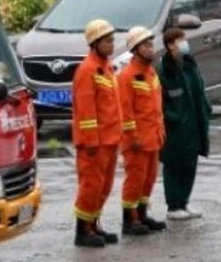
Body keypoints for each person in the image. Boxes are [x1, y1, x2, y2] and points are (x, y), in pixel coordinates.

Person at [70, 19, 122, 248]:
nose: (112, 45)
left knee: (104, 185)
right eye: (108, 41)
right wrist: (91, 140)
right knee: (91, 185)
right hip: (95, 142)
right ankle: (83, 230)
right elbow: (85, 108)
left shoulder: (106, 67)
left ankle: (93, 224)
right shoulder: (87, 70)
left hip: (110, 139)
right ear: (95, 43)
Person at [158, 27, 211, 222]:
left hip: (194, 123)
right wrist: (173, 118)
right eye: (179, 40)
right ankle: (173, 205)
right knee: (174, 165)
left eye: (183, 39)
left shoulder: (190, 64)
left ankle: (183, 202)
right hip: (176, 127)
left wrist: (206, 109)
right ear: (170, 45)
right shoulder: (164, 70)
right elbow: (161, 102)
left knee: (190, 164)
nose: (184, 43)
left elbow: (200, 90)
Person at [118, 26, 166, 237]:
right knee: (135, 180)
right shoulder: (127, 76)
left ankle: (142, 214)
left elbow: (156, 106)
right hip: (136, 141)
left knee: (148, 179)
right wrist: (132, 137)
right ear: (135, 49)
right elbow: (125, 112)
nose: (151, 49)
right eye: (146, 46)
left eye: (151, 45)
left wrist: (161, 130)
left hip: (153, 137)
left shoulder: (151, 72)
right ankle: (129, 221)